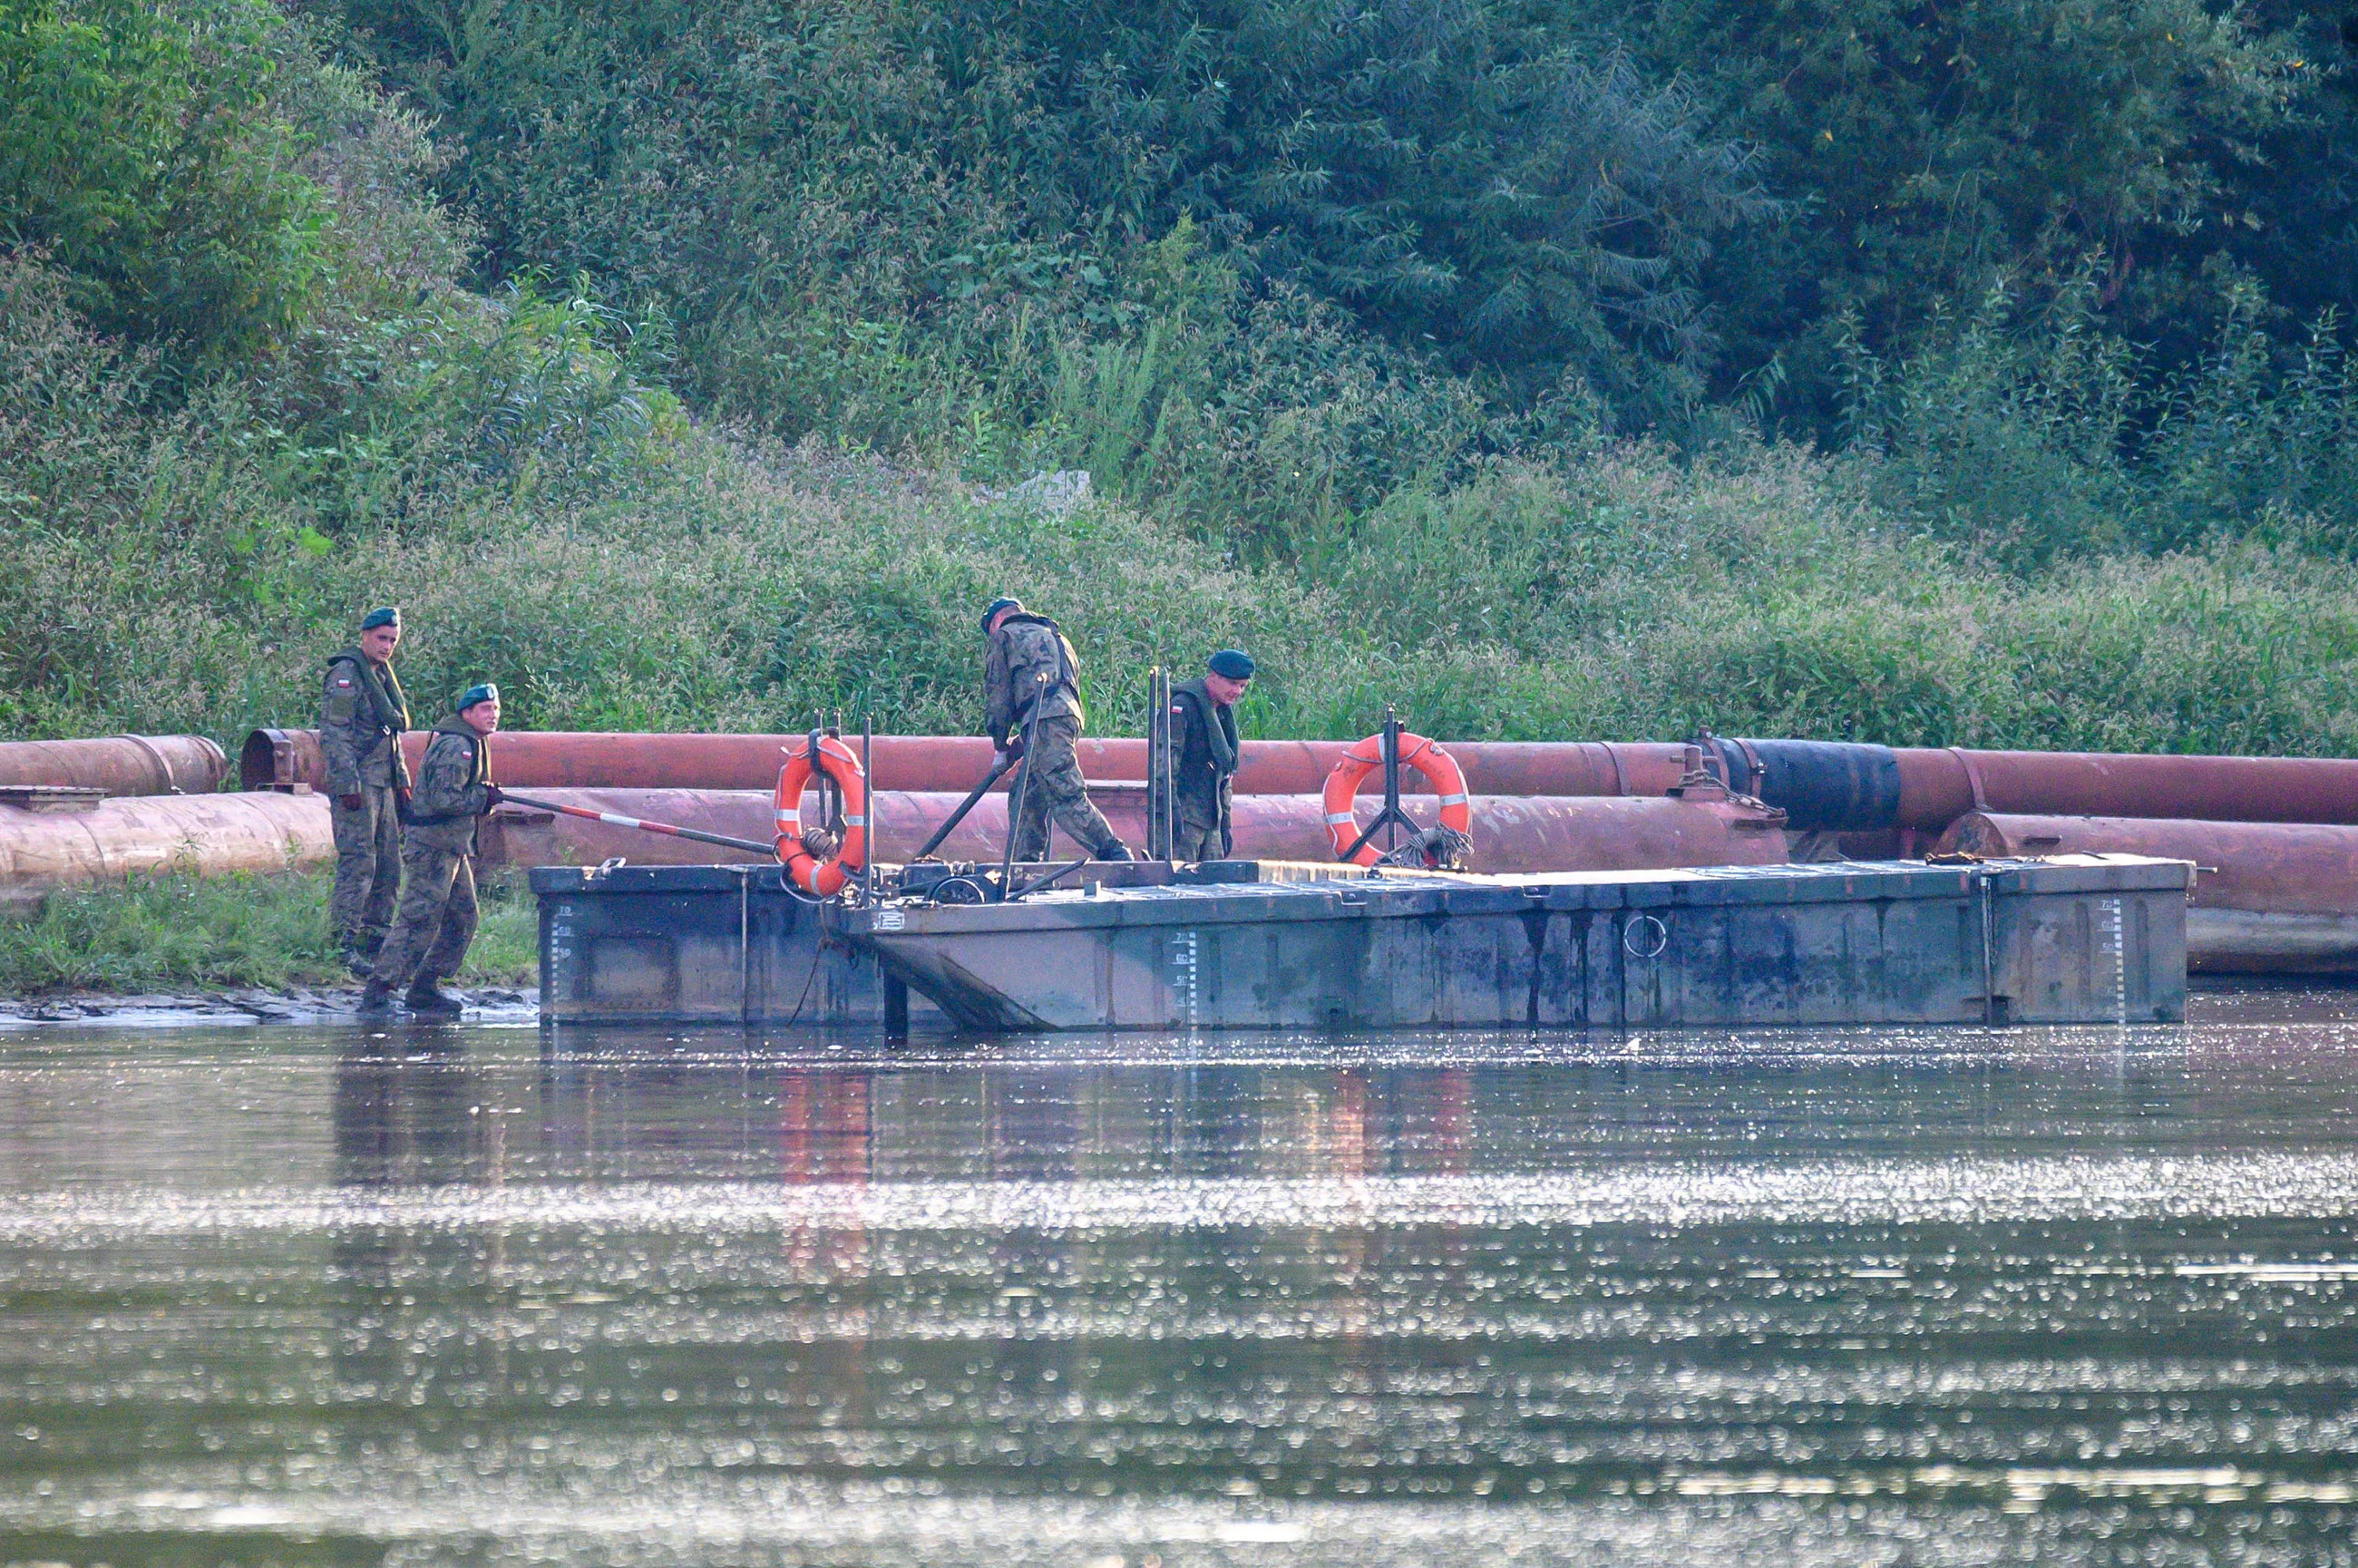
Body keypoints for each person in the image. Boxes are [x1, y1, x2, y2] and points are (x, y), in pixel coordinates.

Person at [359, 685, 504, 1017]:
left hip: (452, 846)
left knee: (464, 916)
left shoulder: (473, 741)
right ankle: (379, 990)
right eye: (484, 709)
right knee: (417, 919)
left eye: (495, 709)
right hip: (433, 847)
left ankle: (425, 987)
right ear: (466, 713)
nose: (492, 715)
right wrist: (482, 799)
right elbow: (444, 800)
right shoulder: (457, 745)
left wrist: (483, 797)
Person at [980, 596, 1133, 862]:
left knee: (1065, 792)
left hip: (1045, 720)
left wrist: (1000, 745)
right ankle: (1023, 864)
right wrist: (1025, 737)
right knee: (1026, 794)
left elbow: (999, 697)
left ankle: (1114, 852)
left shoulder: (1005, 635)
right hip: (1065, 718)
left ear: (996, 621)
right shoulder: (1057, 637)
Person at [321, 607, 411, 974]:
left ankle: (375, 939)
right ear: (365, 635)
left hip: (384, 780)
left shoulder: (382, 676)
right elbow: (335, 733)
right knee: (359, 862)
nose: (387, 645)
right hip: (358, 782)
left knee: (389, 865)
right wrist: (346, 784)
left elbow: (392, 734)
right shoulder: (346, 674)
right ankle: (342, 942)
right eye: (381, 638)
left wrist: (402, 780)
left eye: (392, 639)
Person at [1169, 648, 1254, 861]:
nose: (1238, 691)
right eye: (1233, 684)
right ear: (1214, 677)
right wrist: (1170, 811)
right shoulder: (1184, 707)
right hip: (1184, 819)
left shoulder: (1222, 714)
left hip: (1212, 821)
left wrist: (1226, 822)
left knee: (1214, 887)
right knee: (1177, 884)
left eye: (1242, 686)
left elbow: (1225, 775)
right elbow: (1165, 765)